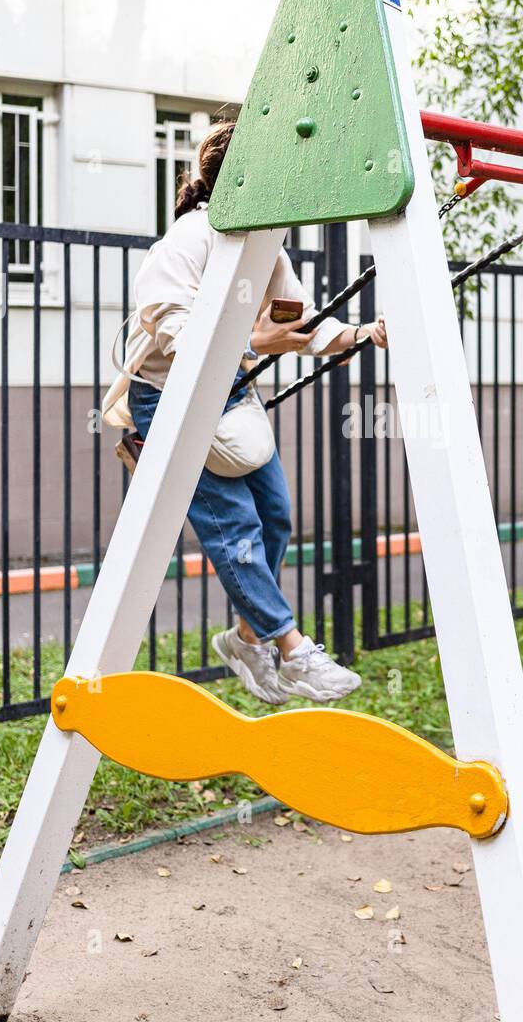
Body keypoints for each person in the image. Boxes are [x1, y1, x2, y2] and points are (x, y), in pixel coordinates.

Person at [103, 121, 387, 704]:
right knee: (235, 527)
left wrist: (363, 332)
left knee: (275, 517)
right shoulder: (192, 236)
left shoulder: (266, 244)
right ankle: (293, 650)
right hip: (170, 398)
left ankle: (245, 638)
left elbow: (301, 323)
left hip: (229, 392)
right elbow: (174, 331)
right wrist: (254, 344)